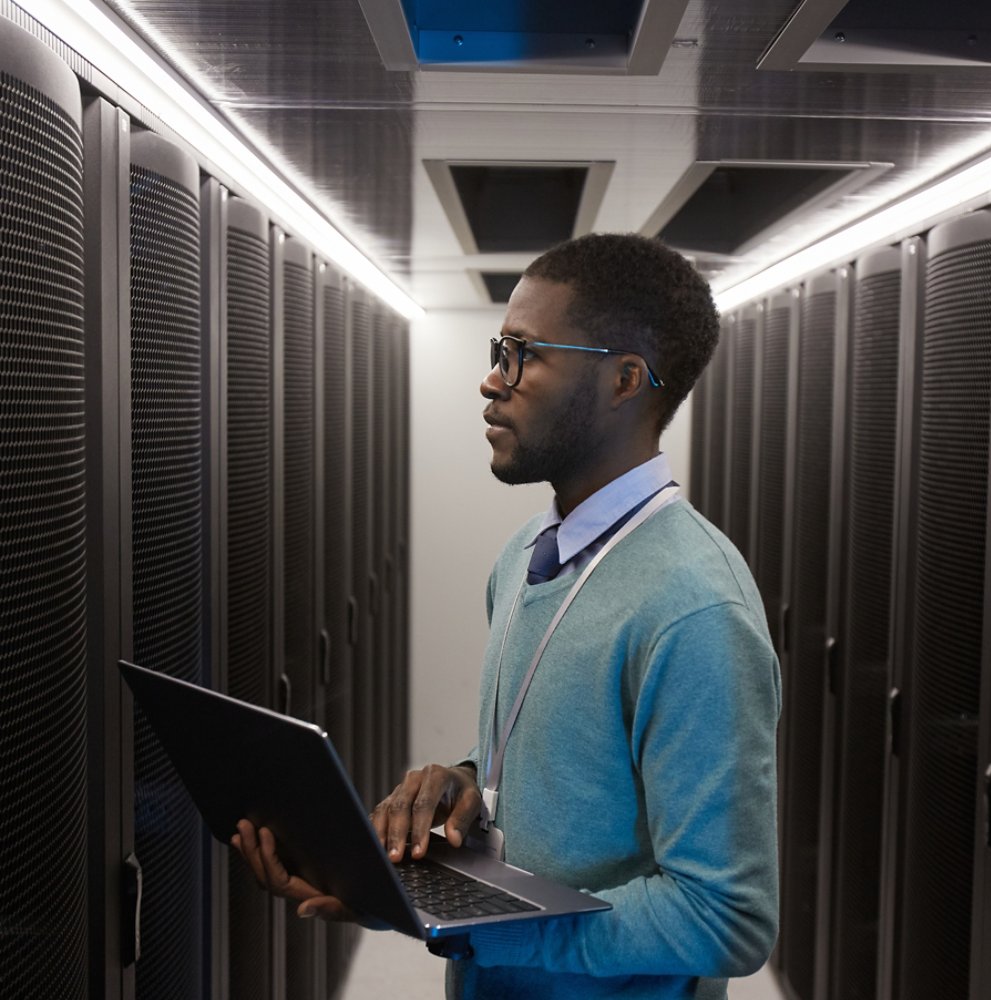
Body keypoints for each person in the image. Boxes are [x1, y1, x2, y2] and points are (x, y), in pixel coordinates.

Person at [234, 232, 781, 999]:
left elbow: (726, 917)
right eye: (499, 349)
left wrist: (468, 927)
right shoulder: (528, 550)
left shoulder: (696, 610)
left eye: (523, 353)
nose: (492, 381)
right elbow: (565, 772)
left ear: (626, 379)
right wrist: (461, 785)